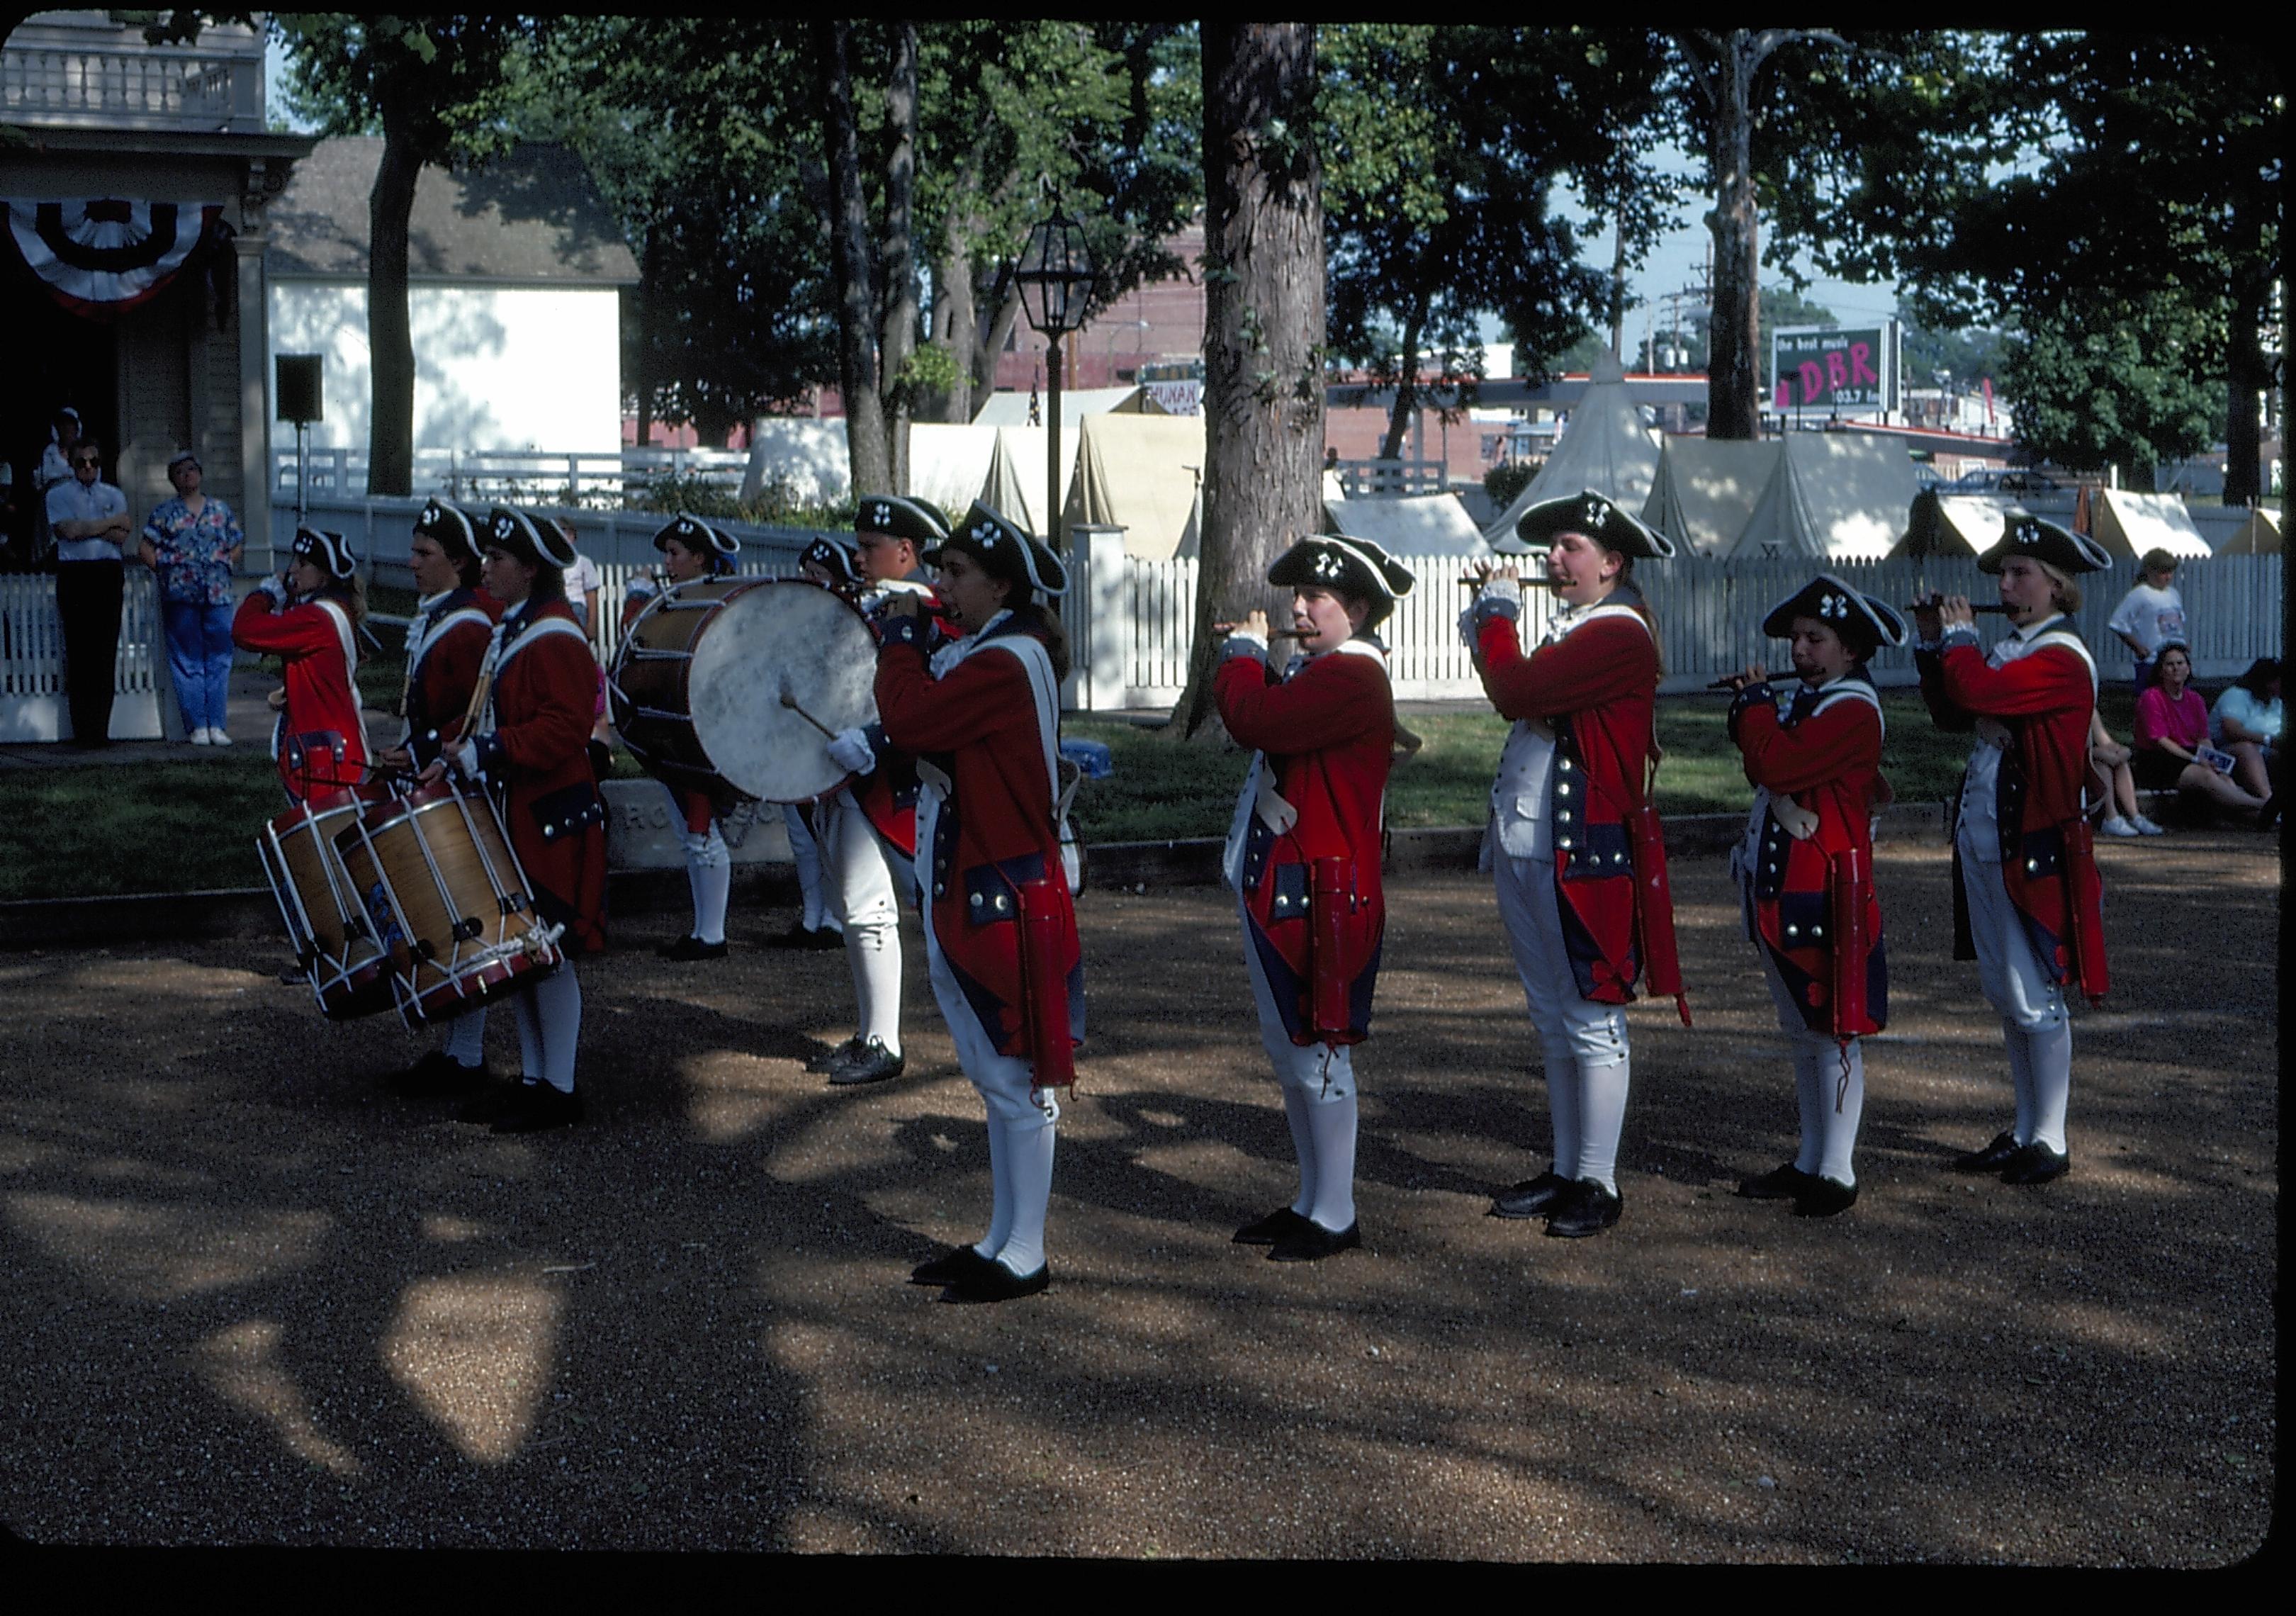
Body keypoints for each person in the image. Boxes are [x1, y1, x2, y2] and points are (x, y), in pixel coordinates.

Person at [1463, 489, 1686, 1240]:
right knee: (1553, 1014)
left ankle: (1598, 1177)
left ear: (1613, 563)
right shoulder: (1583, 630)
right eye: (1553, 547)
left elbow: (1515, 689)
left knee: (1592, 1014)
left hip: (1580, 846)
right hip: (1533, 840)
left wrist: (1495, 620)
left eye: (1571, 548)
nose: (1554, 560)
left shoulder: (1617, 632)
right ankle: (1566, 1168)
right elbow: (1528, 696)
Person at [879, 500, 1081, 1303]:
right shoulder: (993, 650)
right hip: (984, 879)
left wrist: (898, 640)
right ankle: (1002, 1236)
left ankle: (1025, 1251)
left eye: (956, 573)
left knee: (1016, 1075)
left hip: (1005, 884)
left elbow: (911, 718)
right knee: (993, 1074)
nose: (939, 585)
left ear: (1003, 586)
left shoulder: (1005, 660)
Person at [1214, 533, 1415, 1262]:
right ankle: (1311, 1197)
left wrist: (1240, 657)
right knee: (1290, 1049)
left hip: (1323, 890)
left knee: (1319, 1052)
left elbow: (1254, 721)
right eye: (1296, 596)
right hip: (1292, 884)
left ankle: (1335, 1210)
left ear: (1357, 609)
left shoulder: (1353, 675)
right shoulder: (1326, 670)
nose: (1297, 608)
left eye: (1317, 598)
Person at [1913, 510, 2112, 1186]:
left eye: (2020, 572)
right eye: (2004, 571)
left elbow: (1977, 691)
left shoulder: (2059, 656)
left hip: (2030, 838)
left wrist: (1962, 639)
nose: (2006, 581)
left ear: (2056, 586)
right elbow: (1950, 712)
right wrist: (1934, 640)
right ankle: (2026, 1126)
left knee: (2035, 992)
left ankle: (2050, 1139)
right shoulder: (2015, 646)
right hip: (1988, 830)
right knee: (2006, 990)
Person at [1721, 576, 1907, 1218]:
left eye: (1816, 639)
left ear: (1850, 652)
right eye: (1797, 638)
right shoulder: (1812, 700)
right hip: (1790, 883)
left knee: (1832, 1031)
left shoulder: (1851, 708)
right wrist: (1759, 712)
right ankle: (1810, 1158)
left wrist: (1753, 708)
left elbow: (1774, 764)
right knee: (1803, 1030)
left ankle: (1836, 1168)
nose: (1799, 649)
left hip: (1825, 887)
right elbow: (1767, 759)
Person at [437, 507, 608, 1135]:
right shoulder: (519, 626)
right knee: (526, 954)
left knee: (549, 952)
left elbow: (566, 728)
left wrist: (492, 749)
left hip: (552, 816)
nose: (487, 568)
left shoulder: (556, 634)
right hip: (523, 811)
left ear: (531, 569)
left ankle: (559, 1088)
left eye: (499, 560)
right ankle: (536, 1080)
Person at [813, 495, 952, 1085]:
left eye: (871, 546)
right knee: (858, 909)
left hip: (900, 784)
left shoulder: (930, 614)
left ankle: (888, 1041)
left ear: (907, 551)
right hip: (856, 779)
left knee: (888, 911)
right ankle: (875, 1032)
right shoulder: (871, 608)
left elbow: (933, 697)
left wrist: (875, 740)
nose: (860, 555)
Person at [377, 500, 502, 1096]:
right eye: (413, 551)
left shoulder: (470, 623)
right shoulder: (441, 615)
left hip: (461, 783)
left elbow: (472, 716)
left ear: (458, 560)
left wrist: (424, 748)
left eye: (425, 554)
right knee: (443, 918)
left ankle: (471, 1056)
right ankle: (458, 1052)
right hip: (433, 776)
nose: (412, 563)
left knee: (463, 920)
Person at [620, 513, 747, 960]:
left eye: (675, 554)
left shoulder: (715, 605)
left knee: (701, 829)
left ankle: (711, 934)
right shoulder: (683, 600)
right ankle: (704, 929)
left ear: (700, 558)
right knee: (691, 829)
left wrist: (637, 599)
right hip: (676, 728)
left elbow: (641, 641)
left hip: (702, 732)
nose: (667, 562)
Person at [231, 526, 368, 800]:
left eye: (303, 564)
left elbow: (244, 630)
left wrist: (265, 595)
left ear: (325, 575)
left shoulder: (317, 618)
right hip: (322, 747)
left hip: (326, 755)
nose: (292, 569)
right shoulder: (324, 610)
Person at [139, 450, 244, 746]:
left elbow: (236, 544)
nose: (188, 476)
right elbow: (145, 548)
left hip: (218, 593)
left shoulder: (220, 510)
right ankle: (197, 725)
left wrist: (225, 563)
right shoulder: (164, 513)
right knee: (188, 659)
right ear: (173, 479)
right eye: (181, 472)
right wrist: (168, 570)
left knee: (219, 658)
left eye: (192, 470)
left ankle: (218, 725)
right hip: (180, 595)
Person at [44, 432, 132, 747]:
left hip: (107, 573)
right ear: (71, 462)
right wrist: (107, 524)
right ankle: (83, 731)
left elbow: (123, 536)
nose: (88, 467)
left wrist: (87, 528)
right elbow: (66, 531)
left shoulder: (113, 493)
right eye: (82, 462)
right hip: (76, 574)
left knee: (105, 650)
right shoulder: (58, 495)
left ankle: (101, 731)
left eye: (94, 461)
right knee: (80, 650)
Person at [2132, 641, 2270, 821]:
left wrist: (2211, 758)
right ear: (2161, 671)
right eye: (2170, 664)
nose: (2176, 668)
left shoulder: (2195, 699)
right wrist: (2195, 759)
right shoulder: (2151, 698)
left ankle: (2261, 815)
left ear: (2188, 669)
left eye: (2180, 663)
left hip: (2192, 754)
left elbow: (2203, 738)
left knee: (2224, 779)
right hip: (2161, 758)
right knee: (2205, 776)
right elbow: (2161, 740)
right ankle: (2264, 805)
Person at [2106, 548, 2187, 692]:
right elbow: (2118, 623)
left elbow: (2179, 622)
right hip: (2152, 662)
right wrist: (2137, 647)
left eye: (2170, 573)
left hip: (2175, 660)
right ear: (2150, 572)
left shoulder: (2174, 594)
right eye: (2163, 573)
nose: (2168, 577)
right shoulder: (2140, 594)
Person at [2211, 656, 2281, 817]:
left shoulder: (2276, 702)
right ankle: (2269, 803)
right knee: (2247, 749)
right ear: (2268, 681)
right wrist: (2268, 740)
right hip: (2227, 755)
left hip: (2266, 756)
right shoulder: (2237, 696)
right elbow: (2231, 730)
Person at [2086, 711, 2160, 838]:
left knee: (2121, 762)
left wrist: (2120, 750)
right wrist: (2097, 753)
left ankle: (2135, 816)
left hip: (2091, 758)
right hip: (2075, 764)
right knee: (2102, 766)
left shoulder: (2091, 711)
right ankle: (2111, 817)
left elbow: (2105, 741)